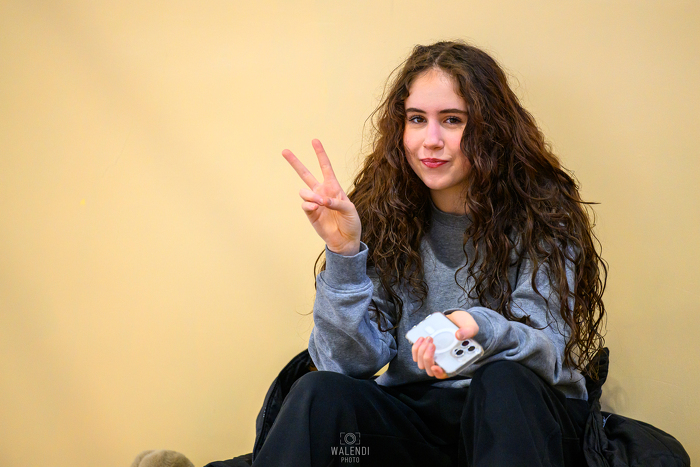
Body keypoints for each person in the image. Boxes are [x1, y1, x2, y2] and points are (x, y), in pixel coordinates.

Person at [257, 40, 607, 467]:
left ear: (491, 128)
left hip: (520, 420)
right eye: (417, 119)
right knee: (318, 392)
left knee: (501, 381)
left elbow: (548, 350)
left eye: (453, 120)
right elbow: (344, 364)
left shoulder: (543, 217)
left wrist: (480, 329)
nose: (431, 141)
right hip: (420, 422)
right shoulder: (384, 216)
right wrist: (344, 255)